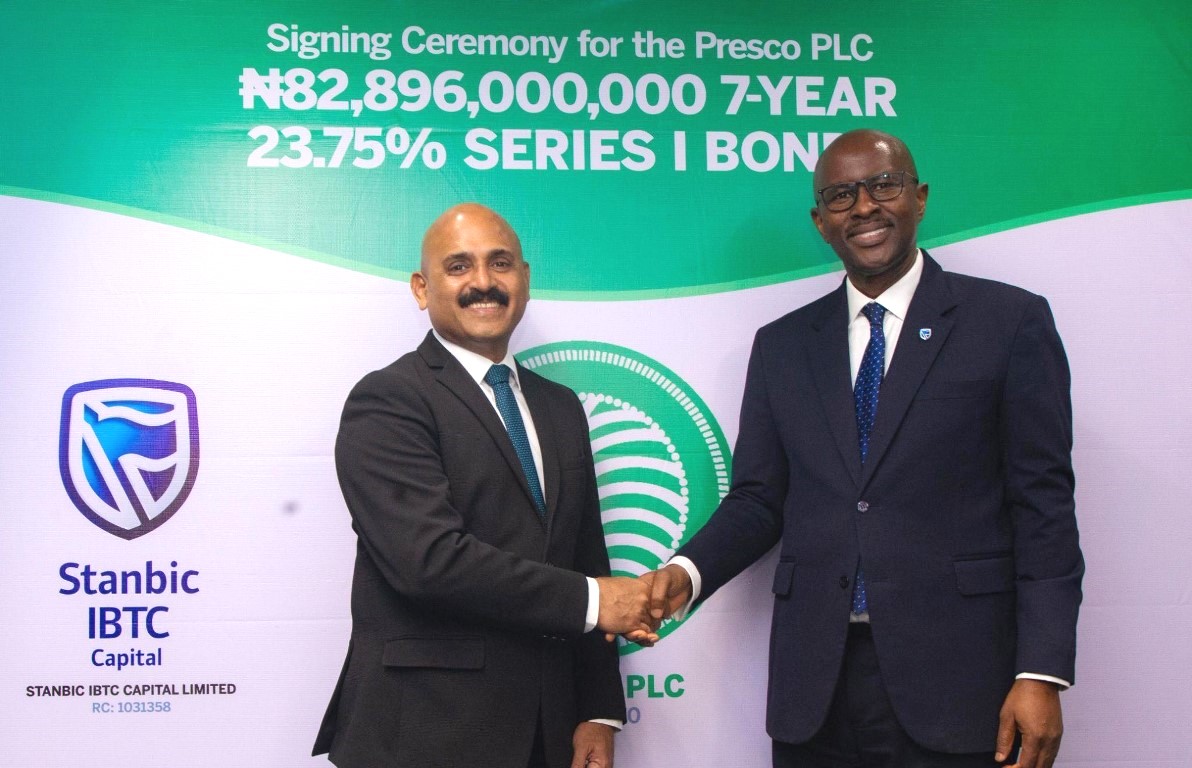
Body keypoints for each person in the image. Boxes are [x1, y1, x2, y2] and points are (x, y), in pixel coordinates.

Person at [645, 130, 1083, 768]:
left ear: (919, 197)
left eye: (884, 185)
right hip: (815, 692)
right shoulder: (782, 346)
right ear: (821, 221)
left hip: (960, 686)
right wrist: (684, 574)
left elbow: (1044, 509)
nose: (865, 207)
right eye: (842, 195)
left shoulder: (1008, 322)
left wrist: (1041, 671)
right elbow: (759, 500)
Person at [313, 203, 655, 768]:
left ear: (525, 278)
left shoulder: (560, 407)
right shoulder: (389, 400)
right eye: (458, 266)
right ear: (421, 288)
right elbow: (427, 561)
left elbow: (584, 555)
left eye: (500, 263)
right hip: (427, 734)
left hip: (549, 732)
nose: (483, 282)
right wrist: (596, 601)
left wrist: (598, 709)